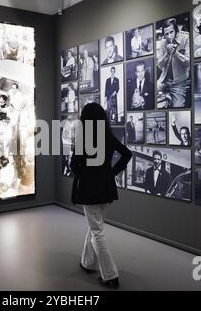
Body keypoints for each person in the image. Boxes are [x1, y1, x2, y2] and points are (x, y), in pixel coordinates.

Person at [70, 103, 132, 289]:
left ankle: (111, 276)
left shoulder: (84, 139)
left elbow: (74, 166)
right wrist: (111, 172)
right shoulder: (108, 137)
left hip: (90, 191)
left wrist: (84, 170)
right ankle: (88, 263)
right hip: (106, 190)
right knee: (95, 227)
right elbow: (127, 154)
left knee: (97, 231)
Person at [156, 18, 190, 108]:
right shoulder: (163, 42)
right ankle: (166, 97)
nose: (169, 36)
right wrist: (167, 53)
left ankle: (168, 98)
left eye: (171, 32)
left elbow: (188, 62)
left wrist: (175, 53)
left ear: (176, 31)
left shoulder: (186, 38)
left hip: (178, 82)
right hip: (164, 80)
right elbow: (159, 65)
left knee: (177, 108)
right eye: (166, 34)